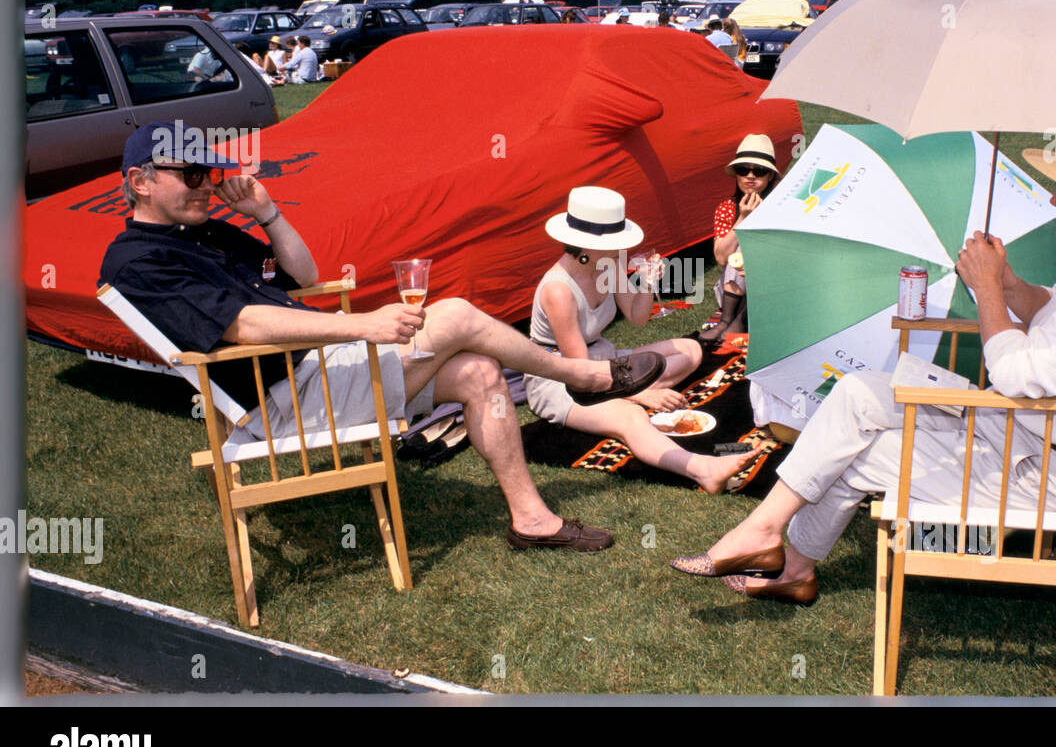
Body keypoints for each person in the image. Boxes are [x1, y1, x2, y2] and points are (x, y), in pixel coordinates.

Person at [101, 122, 669, 553]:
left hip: (316, 373)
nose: (207, 187)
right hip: (283, 402)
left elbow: (300, 277)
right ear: (139, 182)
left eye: (212, 174)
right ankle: (586, 376)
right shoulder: (138, 260)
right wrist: (362, 325)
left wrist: (267, 212)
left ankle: (532, 521)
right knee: (454, 315)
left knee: (480, 372)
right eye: (192, 175)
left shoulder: (204, 233)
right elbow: (241, 325)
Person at [671, 139, 1056, 604]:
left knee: (860, 450)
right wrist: (1009, 282)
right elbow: (1051, 307)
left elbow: (1015, 376)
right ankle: (767, 535)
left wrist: (987, 291)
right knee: (858, 393)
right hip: (1020, 429)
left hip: (1033, 465)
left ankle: (791, 563)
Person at [524, 187, 760, 494]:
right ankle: (702, 470)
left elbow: (637, 317)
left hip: (601, 358)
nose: (619, 249)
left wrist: (647, 280)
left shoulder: (606, 263)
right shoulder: (559, 291)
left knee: (690, 350)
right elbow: (580, 373)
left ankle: (620, 401)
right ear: (584, 244)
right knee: (631, 416)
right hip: (562, 376)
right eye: (613, 244)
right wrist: (640, 394)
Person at [696, 134, 782, 348]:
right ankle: (727, 320)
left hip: (773, 287)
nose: (750, 176)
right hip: (733, 290)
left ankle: (737, 321)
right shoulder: (727, 208)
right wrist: (742, 219)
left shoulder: (781, 207)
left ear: (770, 176)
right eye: (744, 170)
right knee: (739, 246)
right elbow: (722, 258)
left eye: (759, 171)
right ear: (736, 174)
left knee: (750, 247)